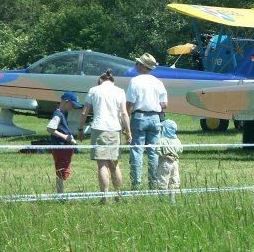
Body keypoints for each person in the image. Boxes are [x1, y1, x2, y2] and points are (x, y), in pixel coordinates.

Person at [78, 69, 132, 203]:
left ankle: (104, 197)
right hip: (115, 129)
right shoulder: (120, 91)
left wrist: (80, 129)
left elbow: (84, 112)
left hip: (98, 128)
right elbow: (124, 113)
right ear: (112, 81)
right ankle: (118, 194)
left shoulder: (93, 90)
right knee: (114, 163)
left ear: (100, 80)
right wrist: (128, 131)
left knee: (102, 164)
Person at [126, 53, 168, 190]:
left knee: (137, 151)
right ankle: (153, 183)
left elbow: (130, 103)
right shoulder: (158, 82)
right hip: (155, 117)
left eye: (137, 63)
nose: (136, 65)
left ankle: (136, 184)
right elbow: (164, 104)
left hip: (139, 117)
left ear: (142, 65)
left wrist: (125, 119)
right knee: (153, 152)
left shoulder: (135, 81)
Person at [46, 91, 83, 194]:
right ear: (66, 102)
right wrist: (66, 137)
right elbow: (50, 128)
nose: (73, 108)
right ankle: (60, 194)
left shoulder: (62, 114)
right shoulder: (58, 114)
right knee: (61, 171)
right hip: (60, 147)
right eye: (72, 105)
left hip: (63, 148)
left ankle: (60, 193)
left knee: (62, 171)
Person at [157, 119, 183, 201]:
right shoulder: (177, 140)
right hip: (175, 163)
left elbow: (157, 151)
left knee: (163, 180)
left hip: (165, 163)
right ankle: (172, 199)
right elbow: (180, 150)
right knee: (174, 180)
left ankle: (162, 199)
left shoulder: (161, 140)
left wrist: (165, 156)